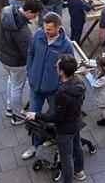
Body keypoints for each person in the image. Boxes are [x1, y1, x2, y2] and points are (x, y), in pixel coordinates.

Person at [22, 11, 73, 158]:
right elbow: (30, 52)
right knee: (34, 118)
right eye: (44, 28)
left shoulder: (66, 45)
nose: (45, 31)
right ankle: (35, 145)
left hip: (53, 90)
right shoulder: (38, 35)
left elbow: (68, 70)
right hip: (35, 86)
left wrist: (58, 85)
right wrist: (30, 71)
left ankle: (52, 139)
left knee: (54, 117)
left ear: (58, 28)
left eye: (49, 29)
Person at [43, 54, 86, 183]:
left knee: (66, 157)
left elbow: (56, 117)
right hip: (76, 122)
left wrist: (36, 115)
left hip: (65, 128)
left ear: (61, 71)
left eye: (57, 65)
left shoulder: (62, 93)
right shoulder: (79, 82)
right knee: (77, 145)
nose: (56, 66)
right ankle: (79, 171)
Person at [0, 0, 40, 123]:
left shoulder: (6, 11)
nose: (35, 18)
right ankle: (17, 115)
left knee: (11, 80)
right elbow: (27, 52)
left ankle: (10, 107)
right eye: (35, 15)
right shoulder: (22, 31)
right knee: (17, 87)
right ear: (29, 12)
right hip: (16, 63)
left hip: (3, 56)